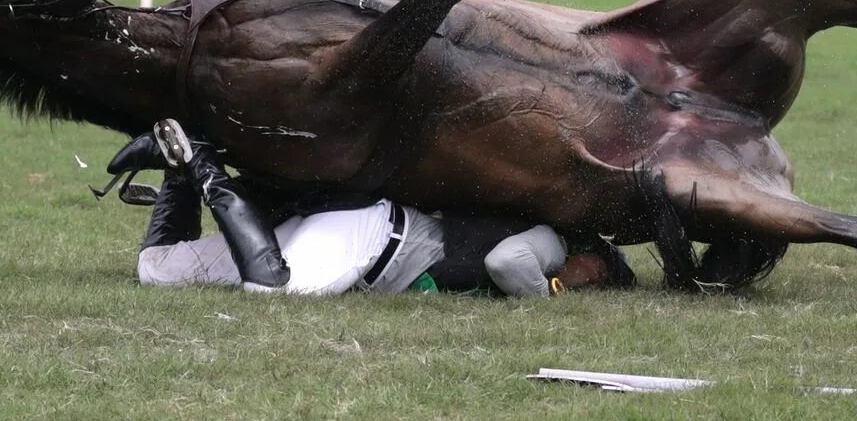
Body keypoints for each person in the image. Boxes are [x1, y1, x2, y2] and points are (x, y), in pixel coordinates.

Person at [124, 121, 632, 297]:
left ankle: (175, 164)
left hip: (342, 226)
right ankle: (203, 164)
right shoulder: (551, 243)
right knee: (276, 291)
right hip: (369, 237)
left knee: (156, 272)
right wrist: (548, 295)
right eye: (602, 273)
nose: (593, 281)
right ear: (593, 252)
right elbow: (507, 265)